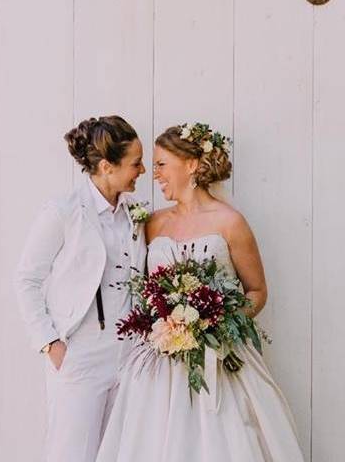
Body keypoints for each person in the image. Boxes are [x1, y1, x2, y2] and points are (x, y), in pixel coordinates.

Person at [96, 123, 305, 462]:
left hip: (219, 360)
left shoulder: (230, 223)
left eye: (162, 164)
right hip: (159, 363)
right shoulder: (151, 224)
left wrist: (215, 326)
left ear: (191, 164)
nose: (155, 174)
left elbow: (256, 291)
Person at [14, 115, 147, 462]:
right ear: (106, 166)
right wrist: (49, 342)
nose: (143, 171)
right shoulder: (63, 212)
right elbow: (27, 278)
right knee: (72, 453)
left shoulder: (135, 214)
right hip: (80, 353)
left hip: (130, 355)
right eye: (135, 163)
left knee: (121, 453)